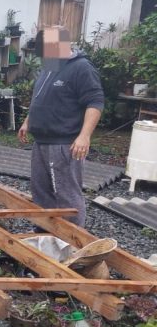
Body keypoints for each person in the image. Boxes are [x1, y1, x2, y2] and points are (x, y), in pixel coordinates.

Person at [17, 27, 103, 227]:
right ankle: (46, 233)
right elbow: (41, 98)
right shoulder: (50, 66)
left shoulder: (81, 67)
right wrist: (28, 121)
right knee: (41, 191)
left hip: (64, 144)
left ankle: (73, 240)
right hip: (42, 142)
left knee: (66, 194)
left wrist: (84, 136)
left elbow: (95, 102)